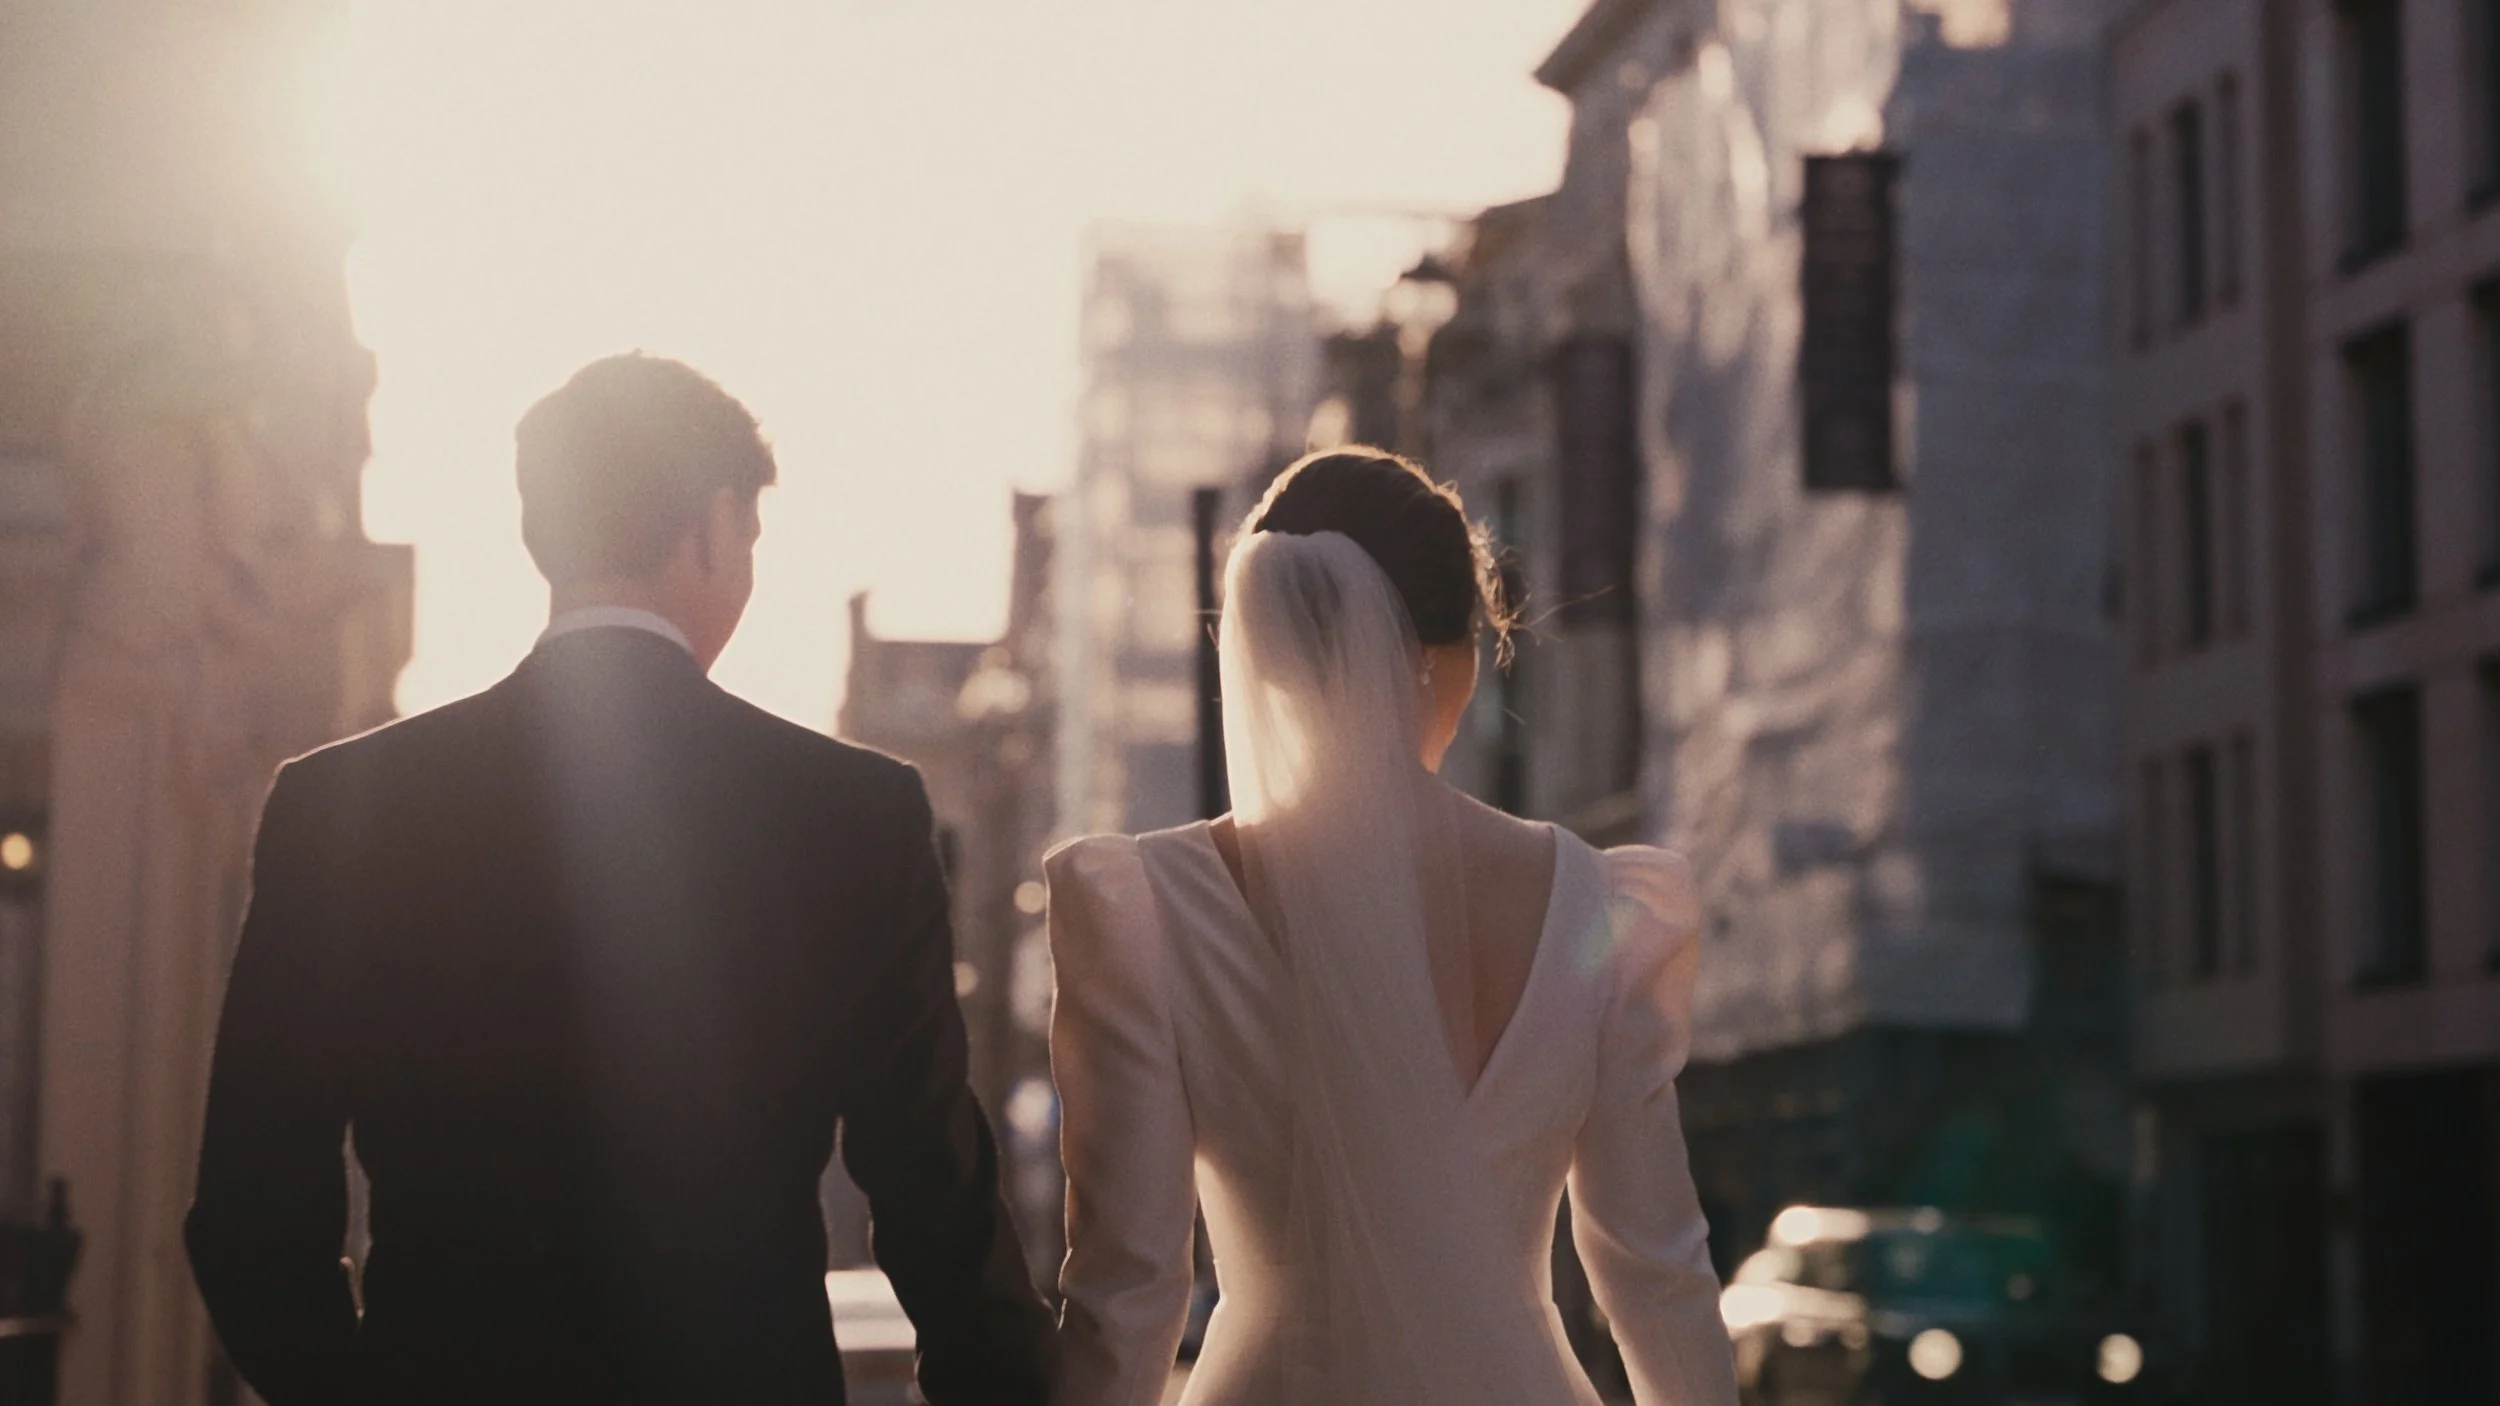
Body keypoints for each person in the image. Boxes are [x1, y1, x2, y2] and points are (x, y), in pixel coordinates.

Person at [186, 354, 1056, 1405]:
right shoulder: (851, 812)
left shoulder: (340, 808)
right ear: (713, 526)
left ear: (538, 531)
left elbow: (248, 1208)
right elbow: (930, 1181)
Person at [1046, 448, 1739, 1405]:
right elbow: (1656, 1270)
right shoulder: (1604, 910)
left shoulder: (1145, 910)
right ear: (1445, 654)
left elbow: (1126, 1287)